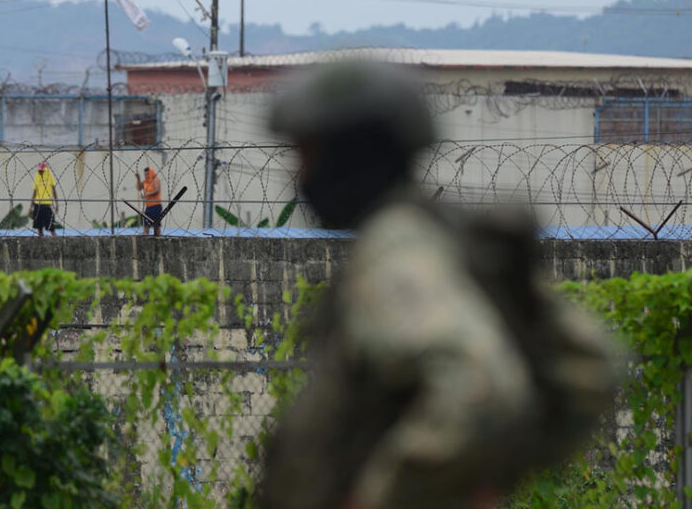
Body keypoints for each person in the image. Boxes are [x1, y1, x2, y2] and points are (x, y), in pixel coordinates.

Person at [258, 61, 618, 509]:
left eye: (307, 155)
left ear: (352, 157)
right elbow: (590, 365)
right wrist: (487, 474)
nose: (300, 177)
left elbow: (483, 388)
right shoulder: (440, 237)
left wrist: (385, 494)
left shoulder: (397, 254)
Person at [30, 161, 58, 237]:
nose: (40, 172)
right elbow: (34, 192)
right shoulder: (37, 176)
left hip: (46, 204)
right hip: (37, 204)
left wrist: (57, 203)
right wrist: (31, 206)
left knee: (51, 227)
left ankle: (56, 239)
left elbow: (54, 190)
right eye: (39, 170)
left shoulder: (49, 176)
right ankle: (40, 240)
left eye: (42, 171)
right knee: (39, 228)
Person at [137, 166, 162, 236]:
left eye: (148, 174)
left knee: (156, 224)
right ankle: (146, 237)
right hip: (148, 206)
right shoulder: (145, 181)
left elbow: (156, 190)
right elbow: (139, 188)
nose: (146, 176)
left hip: (156, 205)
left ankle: (157, 237)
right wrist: (138, 178)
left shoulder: (155, 179)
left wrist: (147, 194)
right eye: (145, 174)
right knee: (146, 223)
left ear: (151, 173)